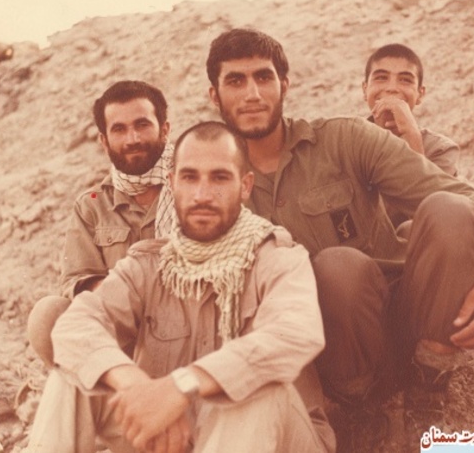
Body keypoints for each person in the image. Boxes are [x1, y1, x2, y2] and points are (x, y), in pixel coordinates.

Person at [205, 28, 474, 449]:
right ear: (214, 95)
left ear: (285, 85)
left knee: (451, 209)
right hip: (331, 358)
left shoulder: (343, 139)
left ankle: (429, 388)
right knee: (337, 267)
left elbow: (464, 196)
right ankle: (360, 409)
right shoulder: (212, 186)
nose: (253, 93)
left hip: (409, 321)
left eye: (263, 77)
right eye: (236, 81)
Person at [27, 121, 335, 453]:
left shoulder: (278, 257)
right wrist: (136, 385)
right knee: (75, 375)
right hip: (177, 436)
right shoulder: (150, 264)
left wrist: (182, 385)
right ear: (172, 183)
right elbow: (76, 325)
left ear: (245, 186)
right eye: (190, 178)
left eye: (219, 178)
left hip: (275, 437)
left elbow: (296, 334)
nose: (202, 195)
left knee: (255, 391)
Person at [27, 80, 174, 366]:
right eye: (119, 129)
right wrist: (131, 295)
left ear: (164, 129)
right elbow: (77, 280)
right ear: (104, 141)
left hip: (191, 324)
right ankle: (108, 386)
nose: (132, 139)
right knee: (48, 315)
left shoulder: (195, 184)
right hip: (125, 334)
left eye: (142, 125)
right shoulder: (92, 205)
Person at [362, 43, 460, 230]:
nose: (392, 88)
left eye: (405, 80)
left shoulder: (440, 150)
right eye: (381, 78)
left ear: (420, 94)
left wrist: (411, 134)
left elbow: (434, 216)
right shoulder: (347, 141)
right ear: (365, 90)